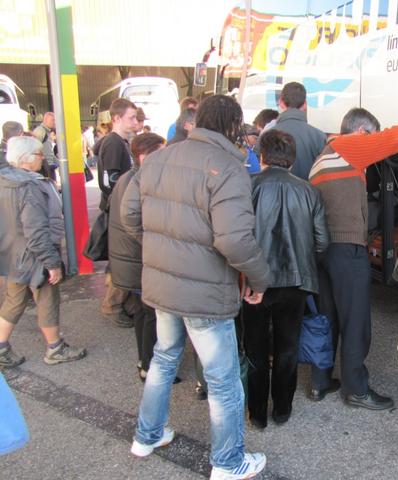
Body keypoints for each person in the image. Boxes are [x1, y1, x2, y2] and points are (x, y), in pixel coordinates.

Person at [122, 94, 270, 480]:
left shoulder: (156, 158)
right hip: (205, 292)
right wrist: (259, 277)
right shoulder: (228, 167)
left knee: (163, 357)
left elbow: (129, 214)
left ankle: (147, 436)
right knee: (223, 379)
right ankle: (228, 462)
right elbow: (234, 241)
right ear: (234, 126)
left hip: (162, 284)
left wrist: (160, 249)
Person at [308, 106, 398, 410]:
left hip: (322, 251)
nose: (373, 145)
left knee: (329, 316)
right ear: (362, 133)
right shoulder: (349, 146)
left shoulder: (321, 157)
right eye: (371, 138)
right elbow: (394, 137)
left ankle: (319, 381)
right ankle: (356, 390)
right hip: (346, 249)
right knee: (355, 321)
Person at [243, 129, 329, 429]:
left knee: (254, 346)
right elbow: (322, 241)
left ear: (261, 155)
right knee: (287, 346)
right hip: (296, 280)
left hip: (254, 280)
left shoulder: (248, 186)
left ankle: (257, 412)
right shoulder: (309, 191)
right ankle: (282, 408)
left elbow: (238, 236)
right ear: (292, 159)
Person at [0, 136, 86, 368]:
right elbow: (36, 230)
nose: (43, 159)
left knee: (14, 300)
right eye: (40, 154)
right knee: (47, 299)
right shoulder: (30, 187)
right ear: (26, 159)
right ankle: (54, 348)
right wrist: (52, 262)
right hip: (35, 255)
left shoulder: (5, 181)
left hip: (12, 253)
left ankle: (1, 348)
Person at [108, 132, 167, 382]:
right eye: (161, 151)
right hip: (139, 259)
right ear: (145, 156)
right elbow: (135, 222)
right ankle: (150, 366)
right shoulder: (138, 180)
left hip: (132, 259)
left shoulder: (129, 177)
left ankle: (145, 362)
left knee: (144, 313)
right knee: (150, 314)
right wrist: (155, 244)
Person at [97, 98, 138, 328]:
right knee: (122, 260)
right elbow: (108, 181)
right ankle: (112, 305)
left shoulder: (121, 142)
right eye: (131, 117)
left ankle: (124, 304)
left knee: (122, 260)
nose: (135, 121)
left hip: (120, 209)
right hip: (118, 211)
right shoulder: (113, 143)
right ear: (116, 118)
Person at [268, 82, 326, 180]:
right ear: (305, 104)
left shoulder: (267, 136)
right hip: (308, 193)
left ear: (281, 103)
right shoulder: (319, 136)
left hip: (272, 194)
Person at [32, 112, 58, 183]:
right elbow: (34, 148)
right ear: (45, 120)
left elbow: (49, 151)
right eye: (53, 120)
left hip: (49, 166)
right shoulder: (40, 131)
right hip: (45, 167)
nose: (54, 122)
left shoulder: (46, 132)